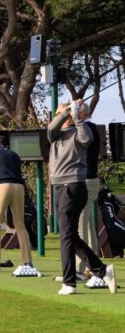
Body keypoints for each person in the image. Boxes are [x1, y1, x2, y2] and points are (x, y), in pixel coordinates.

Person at [48, 100, 115, 294]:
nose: (59, 114)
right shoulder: (56, 134)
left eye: (61, 112)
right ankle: (102, 270)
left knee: (67, 236)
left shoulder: (82, 130)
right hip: (60, 187)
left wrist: (76, 116)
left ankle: (69, 282)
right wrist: (63, 113)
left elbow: (86, 139)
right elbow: (51, 128)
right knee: (69, 235)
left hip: (75, 185)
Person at [0, 135, 32, 273]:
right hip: (18, 187)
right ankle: (28, 262)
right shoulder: (15, 155)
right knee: (20, 225)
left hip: (2, 186)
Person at [77, 117, 104, 277]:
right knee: (88, 224)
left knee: (80, 226)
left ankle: (80, 269)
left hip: (85, 181)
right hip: (91, 179)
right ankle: (94, 265)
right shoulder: (92, 127)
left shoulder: (84, 129)